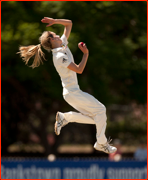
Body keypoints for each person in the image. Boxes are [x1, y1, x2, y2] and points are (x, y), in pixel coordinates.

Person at [17, 17, 117, 154]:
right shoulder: (59, 57)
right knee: (101, 110)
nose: (58, 35)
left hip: (71, 93)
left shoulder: (62, 45)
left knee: (99, 118)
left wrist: (54, 20)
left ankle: (67, 117)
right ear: (52, 40)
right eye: (54, 34)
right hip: (73, 93)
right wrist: (86, 54)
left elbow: (69, 23)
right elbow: (79, 69)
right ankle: (101, 143)